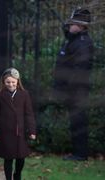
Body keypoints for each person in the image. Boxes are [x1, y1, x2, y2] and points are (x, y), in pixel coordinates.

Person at [53, 8, 93, 161]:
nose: (70, 25)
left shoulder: (83, 43)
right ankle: (78, 152)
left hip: (77, 90)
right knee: (75, 120)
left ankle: (80, 153)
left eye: (73, 23)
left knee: (79, 120)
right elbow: (68, 35)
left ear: (81, 26)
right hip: (72, 89)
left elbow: (79, 69)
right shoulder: (74, 39)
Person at [0, 68, 36, 180]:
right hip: (6, 132)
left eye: (13, 82)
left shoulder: (24, 94)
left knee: (21, 158)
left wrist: (32, 130)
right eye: (8, 82)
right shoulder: (0, 95)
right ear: (4, 82)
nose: (11, 84)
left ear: (18, 81)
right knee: (8, 159)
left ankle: (17, 175)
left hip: (20, 132)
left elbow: (29, 114)